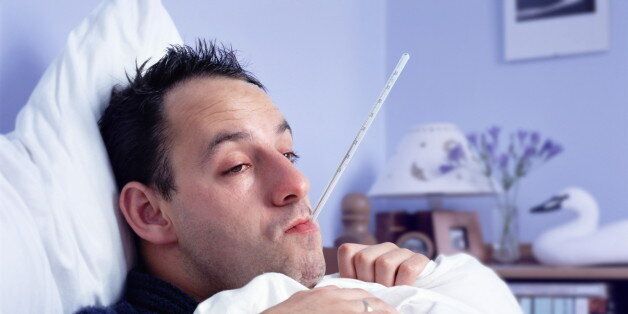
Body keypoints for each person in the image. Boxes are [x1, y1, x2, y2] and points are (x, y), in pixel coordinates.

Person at [79, 41, 516, 314]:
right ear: (150, 212)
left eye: (289, 153)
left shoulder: (365, 288)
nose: (297, 182)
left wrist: (426, 291)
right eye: (237, 166)